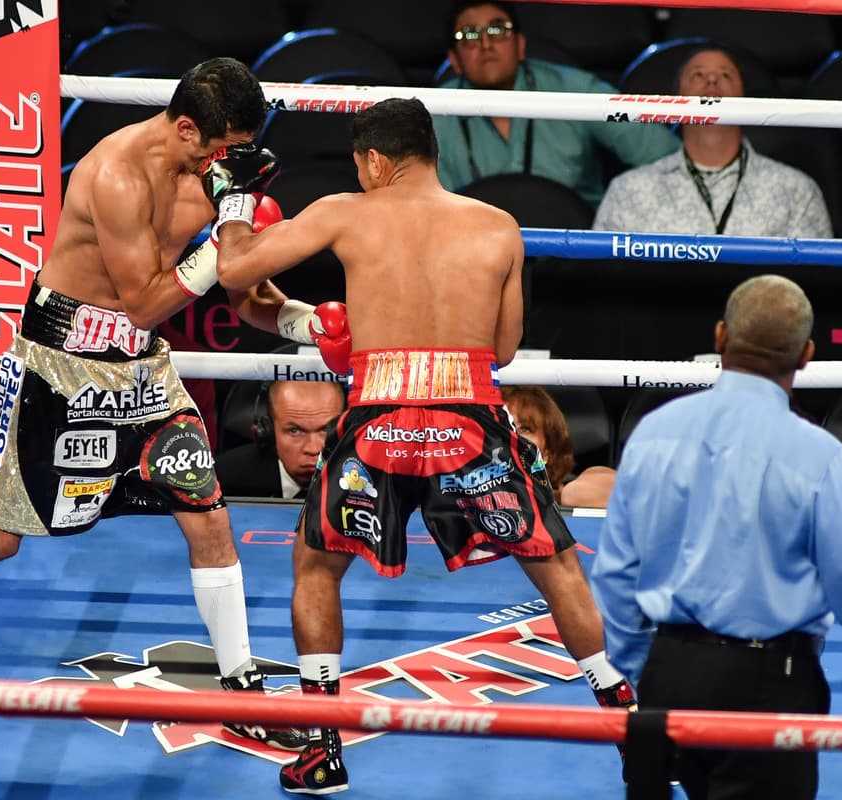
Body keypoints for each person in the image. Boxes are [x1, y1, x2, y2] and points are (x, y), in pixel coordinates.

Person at [0, 58, 349, 753]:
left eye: (240, 152)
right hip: (61, 369)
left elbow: (243, 292)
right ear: (186, 128)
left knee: (209, 518)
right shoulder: (116, 174)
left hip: (144, 373)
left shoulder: (215, 173)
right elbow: (149, 297)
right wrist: (221, 236)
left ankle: (241, 687)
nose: (230, 165)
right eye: (222, 150)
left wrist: (308, 325)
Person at [214, 97, 636, 795]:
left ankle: (322, 749)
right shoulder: (499, 226)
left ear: (374, 160)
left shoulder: (345, 211)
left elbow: (235, 274)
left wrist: (233, 201)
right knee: (555, 564)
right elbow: (501, 349)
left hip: (378, 416)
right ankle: (625, 717)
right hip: (468, 415)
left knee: (316, 568)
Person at [591, 275, 842, 799]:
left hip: (670, 678)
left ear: (719, 337)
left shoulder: (654, 435)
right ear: (805, 355)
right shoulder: (821, 459)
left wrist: (649, 668)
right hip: (769, 683)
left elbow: (616, 572)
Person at [432, 1, 677, 207]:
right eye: (470, 35)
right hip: (469, 254)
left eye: (498, 30)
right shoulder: (433, 111)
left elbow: (664, 155)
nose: (486, 44)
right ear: (454, 59)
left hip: (576, 252)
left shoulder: (574, 89)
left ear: (520, 45)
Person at [594, 45, 833, 238]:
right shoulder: (628, 190)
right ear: (677, 96)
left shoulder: (796, 190)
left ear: (744, 97)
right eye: (697, 74)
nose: (711, 81)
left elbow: (815, 284)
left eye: (726, 75)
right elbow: (604, 281)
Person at [216, 379, 347, 499]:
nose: (313, 449)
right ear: (270, 431)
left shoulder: (363, 480)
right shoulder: (223, 480)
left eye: (326, 429)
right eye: (294, 431)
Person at [502, 385, 615, 508]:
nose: (512, 436)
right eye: (502, 427)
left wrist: (554, 498)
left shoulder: (572, 489)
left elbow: (626, 491)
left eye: (525, 429)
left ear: (548, 451)